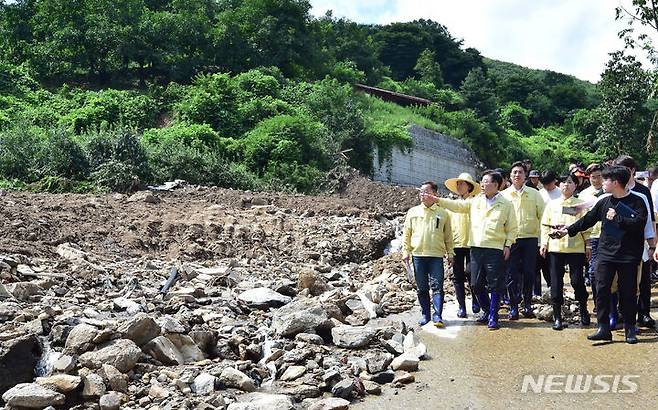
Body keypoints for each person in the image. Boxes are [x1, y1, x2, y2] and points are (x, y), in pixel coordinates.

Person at [554, 165, 647, 344]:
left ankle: (630, 329)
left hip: (628, 256)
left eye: (606, 180)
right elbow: (587, 220)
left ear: (616, 182)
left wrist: (618, 218)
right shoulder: (604, 201)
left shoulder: (637, 201)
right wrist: (568, 230)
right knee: (601, 290)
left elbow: (639, 224)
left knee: (628, 293)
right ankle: (603, 328)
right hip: (606, 254)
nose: (602, 183)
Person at [431, 170, 518, 330]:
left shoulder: (506, 204)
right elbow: (458, 206)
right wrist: (438, 200)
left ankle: (493, 315)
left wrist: (508, 244)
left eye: (486, 182)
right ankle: (486, 310)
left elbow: (512, 227)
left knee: (495, 283)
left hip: (494, 249)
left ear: (496, 185)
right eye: (482, 181)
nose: (483, 185)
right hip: (476, 248)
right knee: (475, 284)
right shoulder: (476, 201)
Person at [540, 172, 591, 330]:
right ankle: (557, 317)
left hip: (575, 248)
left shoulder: (581, 204)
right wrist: (544, 243)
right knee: (556, 282)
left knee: (577, 281)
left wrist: (587, 245)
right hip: (556, 248)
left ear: (576, 185)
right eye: (563, 182)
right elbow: (544, 225)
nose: (566, 185)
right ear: (558, 185)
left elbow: (586, 227)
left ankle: (583, 310)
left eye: (569, 182)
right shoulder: (552, 204)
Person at [402, 181, 455, 327]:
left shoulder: (443, 213)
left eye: (426, 191)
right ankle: (425, 314)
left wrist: (450, 253)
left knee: (437, 286)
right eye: (421, 192)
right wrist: (405, 251)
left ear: (434, 194)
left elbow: (448, 236)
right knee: (422, 287)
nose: (422, 194)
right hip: (418, 255)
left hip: (436, 256)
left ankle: (437, 316)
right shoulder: (413, 212)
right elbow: (406, 234)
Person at [614, 155, 656, 329]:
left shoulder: (643, 190)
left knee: (644, 278)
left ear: (631, 170)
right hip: (618, 242)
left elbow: (651, 219)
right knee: (621, 279)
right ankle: (622, 311)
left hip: (640, 242)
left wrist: (652, 244)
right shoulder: (614, 188)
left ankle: (644, 313)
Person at [502, 161, 545, 319]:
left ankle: (527, 304)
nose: (517, 175)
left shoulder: (534, 194)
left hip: (530, 239)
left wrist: (544, 240)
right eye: (514, 172)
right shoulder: (504, 195)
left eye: (520, 172)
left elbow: (543, 215)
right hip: (511, 240)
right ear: (510, 176)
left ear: (525, 175)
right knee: (512, 273)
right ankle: (513, 306)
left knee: (529, 272)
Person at [444, 173, 481, 318]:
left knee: (472, 274)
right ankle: (461, 307)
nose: (459, 186)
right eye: (458, 184)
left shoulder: (476, 203)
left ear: (470, 186)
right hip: (457, 244)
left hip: (473, 244)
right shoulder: (452, 206)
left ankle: (475, 300)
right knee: (457, 277)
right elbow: (448, 228)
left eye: (462, 184)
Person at [579, 164, 603, 301]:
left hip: (608, 235)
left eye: (599, 176)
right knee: (593, 271)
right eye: (593, 177)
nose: (597, 180)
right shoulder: (584, 194)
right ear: (589, 178)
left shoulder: (610, 191)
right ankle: (597, 300)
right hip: (592, 235)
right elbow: (580, 217)